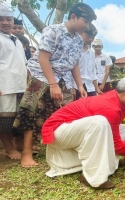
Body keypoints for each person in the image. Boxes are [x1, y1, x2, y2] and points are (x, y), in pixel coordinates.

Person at [42, 75, 125, 189]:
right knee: (100, 122)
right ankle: (94, 179)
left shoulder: (122, 101)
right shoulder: (110, 108)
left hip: (72, 130)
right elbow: (116, 145)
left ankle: (105, 165)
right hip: (57, 132)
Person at [13, 2, 97, 168]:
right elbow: (43, 58)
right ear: (74, 17)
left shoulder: (79, 41)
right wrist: (52, 84)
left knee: (64, 113)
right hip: (40, 76)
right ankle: (26, 152)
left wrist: (79, 86)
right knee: (32, 111)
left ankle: (59, 148)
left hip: (63, 78)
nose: (87, 26)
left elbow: (75, 64)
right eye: (85, 22)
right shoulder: (53, 31)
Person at [0, 4, 27, 160]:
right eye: (1, 19)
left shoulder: (16, 39)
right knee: (5, 119)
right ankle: (9, 149)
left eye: (8, 19)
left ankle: (18, 144)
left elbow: (23, 63)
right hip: (5, 85)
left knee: (19, 117)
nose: (5, 22)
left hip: (19, 84)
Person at [73, 23, 101, 99]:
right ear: (80, 33)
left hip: (90, 86)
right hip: (76, 85)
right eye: (88, 36)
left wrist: (97, 88)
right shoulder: (74, 49)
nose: (90, 39)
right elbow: (71, 69)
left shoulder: (91, 52)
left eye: (92, 37)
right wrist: (75, 87)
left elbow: (93, 72)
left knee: (92, 108)